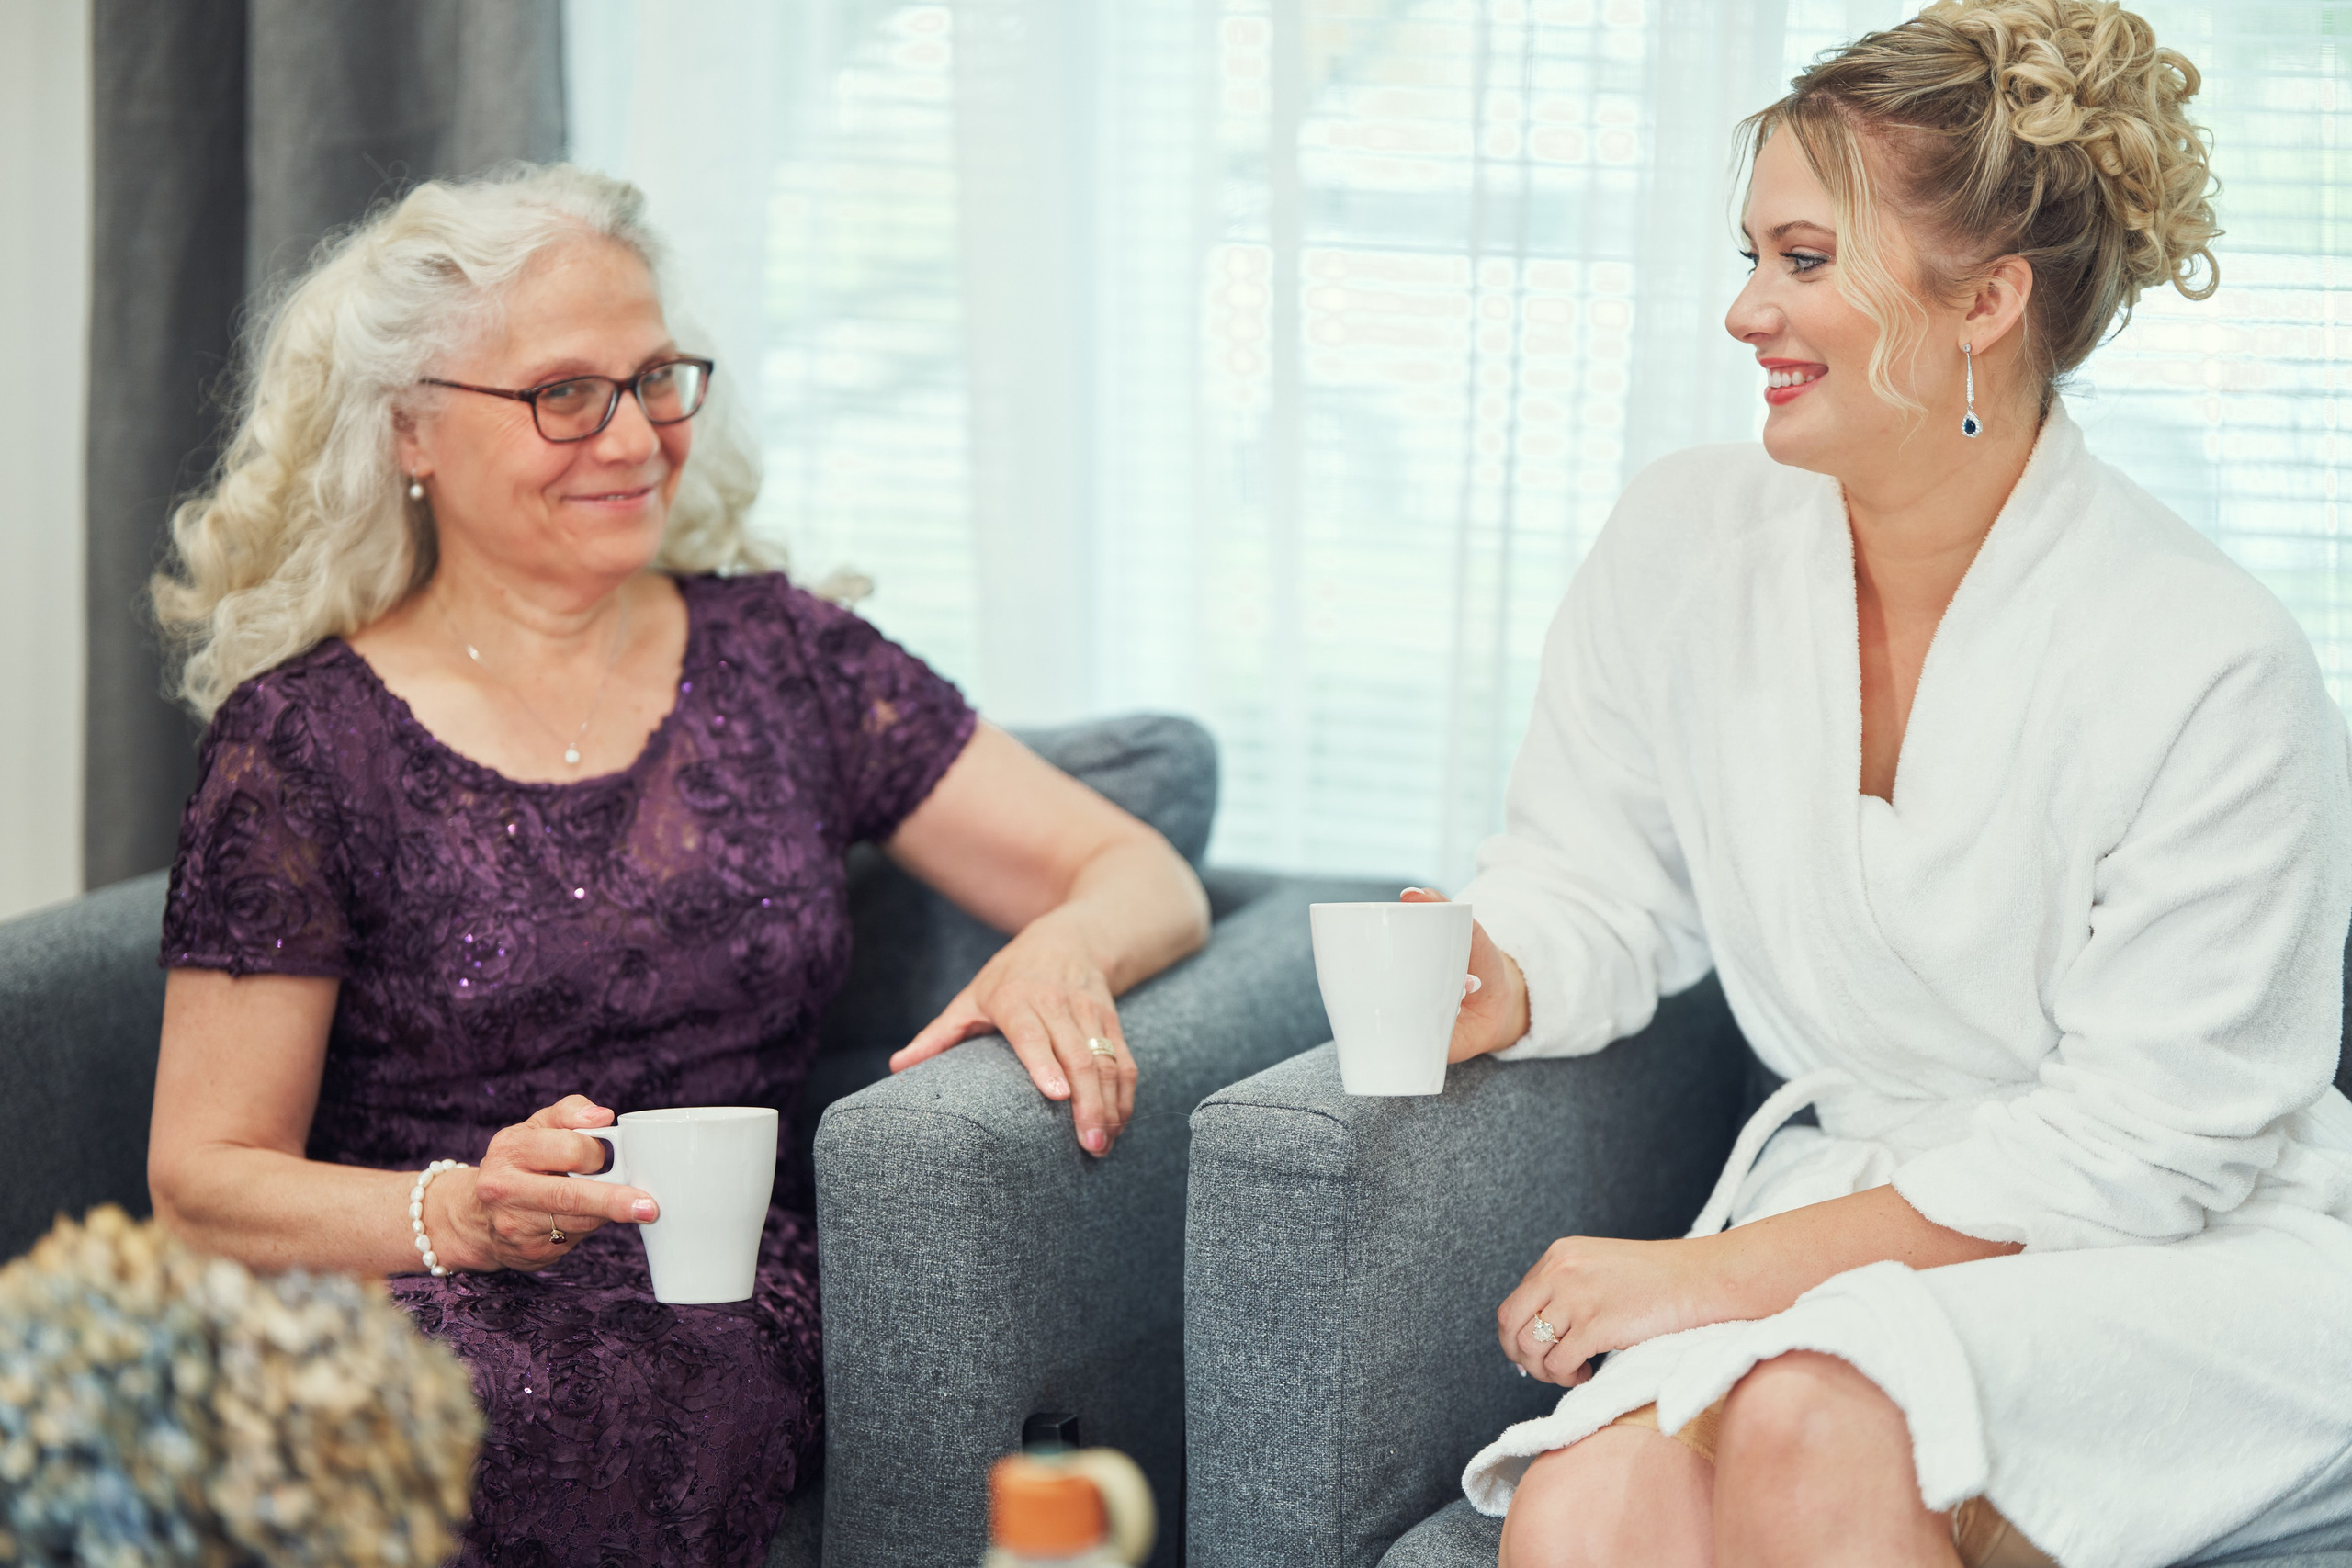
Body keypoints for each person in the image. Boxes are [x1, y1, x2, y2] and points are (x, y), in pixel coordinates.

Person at [142, 164, 1210, 1567]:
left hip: (710, 1280)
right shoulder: (301, 739)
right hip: (395, 1273)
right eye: (565, 393)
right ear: (410, 429)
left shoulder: (786, 659)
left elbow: (1139, 869)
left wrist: (1064, 944)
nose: (636, 435)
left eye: (656, 379)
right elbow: (202, 1181)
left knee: (612, 1403)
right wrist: (460, 1212)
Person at [1419, 4, 2352, 1565]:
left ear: (1988, 299)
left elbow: (2150, 1147)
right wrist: (1499, 974)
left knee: (1817, 1411)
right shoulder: (1684, 546)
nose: (1745, 311)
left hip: (2187, 1255)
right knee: (1588, 1506)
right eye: (1751, 255)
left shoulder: (2210, 661)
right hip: (1861, 1230)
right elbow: (1594, 879)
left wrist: (1709, 1276)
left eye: (1802, 259)